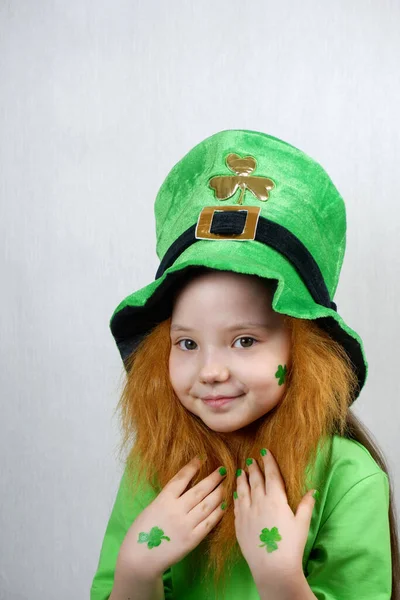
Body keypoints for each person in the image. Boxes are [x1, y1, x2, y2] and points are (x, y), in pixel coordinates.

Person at [90, 130, 399, 600]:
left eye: (245, 340)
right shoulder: (155, 465)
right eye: (187, 344)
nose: (211, 370)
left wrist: (281, 580)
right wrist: (136, 571)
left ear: (302, 350)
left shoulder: (349, 478)